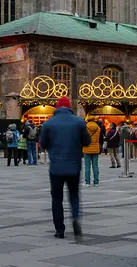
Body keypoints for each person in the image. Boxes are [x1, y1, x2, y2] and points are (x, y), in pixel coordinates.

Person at [40, 97, 91, 239]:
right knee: (74, 194)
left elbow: (42, 144)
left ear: (56, 108)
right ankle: (75, 218)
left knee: (56, 198)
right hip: (74, 165)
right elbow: (87, 141)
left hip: (56, 166)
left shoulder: (48, 124)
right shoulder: (79, 122)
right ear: (69, 107)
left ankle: (59, 229)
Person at [83, 116, 101, 186]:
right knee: (95, 166)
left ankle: (87, 182)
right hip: (95, 148)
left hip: (86, 148)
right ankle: (96, 181)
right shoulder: (98, 128)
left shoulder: (85, 128)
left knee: (87, 167)